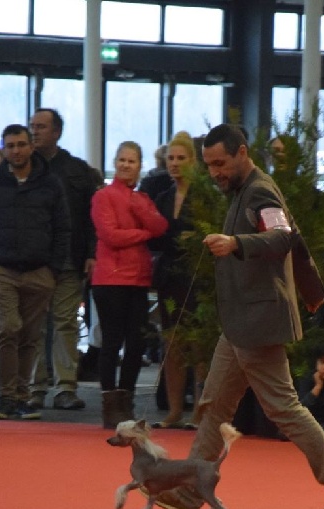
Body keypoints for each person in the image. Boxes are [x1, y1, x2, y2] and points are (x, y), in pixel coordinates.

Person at [145, 123, 324, 509]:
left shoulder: (260, 190)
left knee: (284, 408)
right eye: (210, 165)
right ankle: (192, 489)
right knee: (214, 406)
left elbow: (283, 239)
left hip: (258, 320)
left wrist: (237, 244)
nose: (215, 172)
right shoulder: (242, 190)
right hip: (243, 321)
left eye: (221, 163)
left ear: (242, 153)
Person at [0, 124, 71, 420]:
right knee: (7, 328)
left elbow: (63, 228)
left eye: (21, 144)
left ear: (31, 147)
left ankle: (23, 397)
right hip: (0, 268)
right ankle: (6, 397)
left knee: (30, 336)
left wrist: (54, 268)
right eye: (10, 145)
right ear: (3, 148)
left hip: (40, 270)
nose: (16, 150)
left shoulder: (50, 183)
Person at [91, 141, 167, 429]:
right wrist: (142, 232)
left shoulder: (141, 199)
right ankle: (110, 403)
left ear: (139, 165)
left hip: (138, 279)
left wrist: (138, 213)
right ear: (115, 162)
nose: (125, 165)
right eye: (121, 160)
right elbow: (111, 236)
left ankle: (127, 400)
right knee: (112, 341)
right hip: (109, 278)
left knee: (136, 343)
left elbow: (160, 227)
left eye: (131, 161)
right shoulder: (103, 196)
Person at [26, 108, 97, 410]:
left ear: (57, 132)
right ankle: (35, 387)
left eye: (41, 127)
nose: (35, 132)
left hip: (70, 258)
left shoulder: (79, 171)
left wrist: (93, 254)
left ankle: (65, 387)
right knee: (36, 325)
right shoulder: (23, 169)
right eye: (32, 126)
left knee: (66, 322)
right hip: (34, 260)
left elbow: (92, 218)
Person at [150, 131, 206, 429]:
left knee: (198, 346)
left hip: (197, 275)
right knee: (172, 344)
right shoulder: (162, 197)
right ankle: (173, 411)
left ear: (193, 161)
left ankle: (199, 411)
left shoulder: (205, 197)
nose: (174, 163)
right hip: (170, 276)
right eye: (170, 158)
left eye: (181, 158)